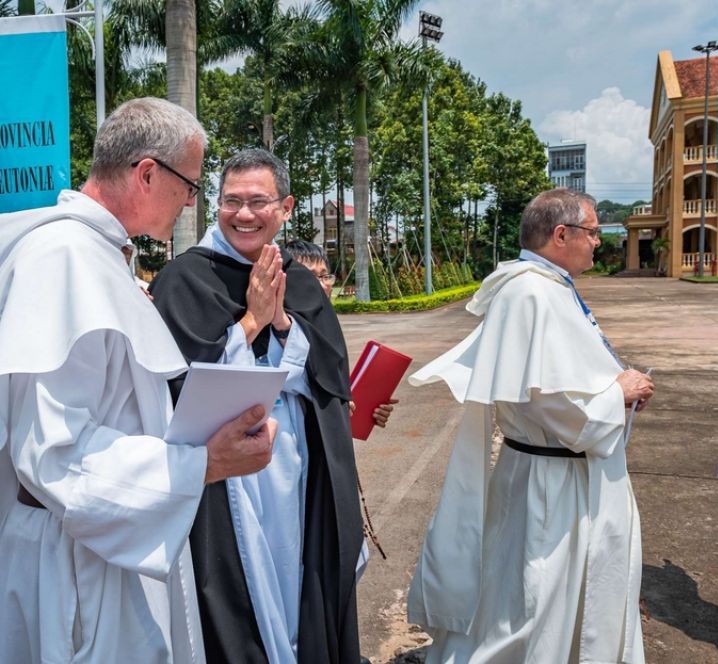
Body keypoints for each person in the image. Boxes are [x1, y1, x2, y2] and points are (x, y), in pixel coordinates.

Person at [0, 98, 276, 664]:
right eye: (190, 185)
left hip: (101, 541)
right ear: (149, 173)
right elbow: (56, 455)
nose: (191, 202)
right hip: (71, 566)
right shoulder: (64, 260)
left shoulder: (95, 255)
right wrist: (203, 463)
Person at [406, 188, 655, 663]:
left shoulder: (549, 285)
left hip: (561, 475)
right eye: (593, 232)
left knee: (549, 602)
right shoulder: (529, 291)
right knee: (531, 609)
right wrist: (617, 394)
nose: (598, 243)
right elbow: (545, 400)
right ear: (562, 234)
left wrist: (617, 391)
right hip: (549, 484)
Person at [149, 148, 363, 663]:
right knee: (242, 592)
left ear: (285, 207)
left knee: (295, 576)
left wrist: (284, 322)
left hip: (294, 463)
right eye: (231, 201)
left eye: (258, 202)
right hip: (225, 479)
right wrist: (252, 320)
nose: (243, 214)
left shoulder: (301, 279)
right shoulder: (184, 278)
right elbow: (180, 383)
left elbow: (329, 378)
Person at [284, 239, 397, 427]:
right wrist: (337, 404)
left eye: (324, 276)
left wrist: (366, 410)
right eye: (309, 277)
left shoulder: (328, 327)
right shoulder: (276, 330)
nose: (321, 286)